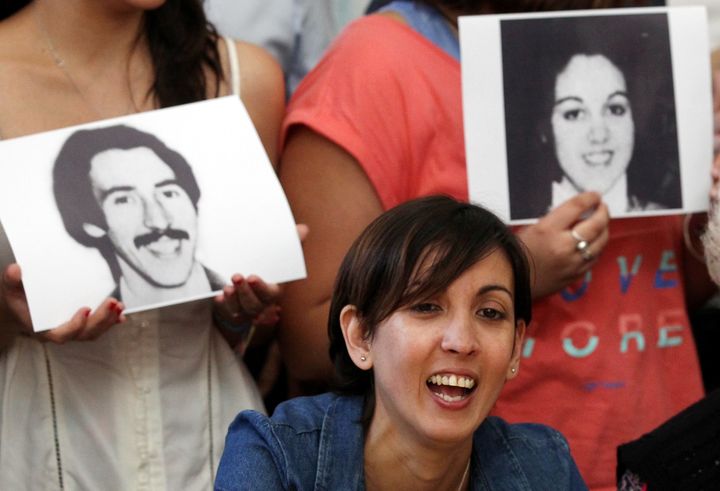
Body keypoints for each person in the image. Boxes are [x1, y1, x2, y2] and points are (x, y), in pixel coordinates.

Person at [277, 1, 714, 489]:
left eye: (614, 108)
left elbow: (671, 287)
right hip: (493, 469)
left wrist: (710, 220)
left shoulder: (642, 45)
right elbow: (311, 337)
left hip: (669, 453)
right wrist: (519, 272)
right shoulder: (376, 64)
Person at [0, 0, 285, 489]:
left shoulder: (244, 78)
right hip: (41, 450)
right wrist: (12, 317)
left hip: (216, 448)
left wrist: (240, 310)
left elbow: (254, 334)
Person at [216, 196, 587, 490]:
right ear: (360, 335)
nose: (461, 341)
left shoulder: (544, 466)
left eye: (490, 313)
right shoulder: (276, 456)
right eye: (426, 306)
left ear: (515, 346)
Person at [503, 13, 680, 220]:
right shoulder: (514, 233)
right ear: (545, 130)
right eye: (574, 114)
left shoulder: (676, 220)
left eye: (615, 109)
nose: (599, 134)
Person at [53, 124, 223, 308]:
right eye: (124, 200)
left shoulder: (246, 291)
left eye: (168, 193)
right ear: (91, 226)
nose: (159, 221)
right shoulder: (90, 325)